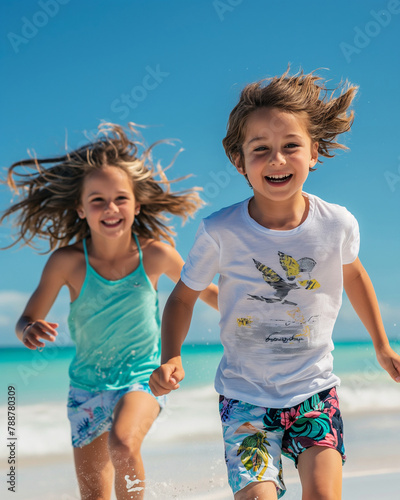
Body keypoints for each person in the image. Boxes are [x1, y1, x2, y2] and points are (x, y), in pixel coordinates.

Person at [149, 69, 400, 500]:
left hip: (315, 392)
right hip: (244, 399)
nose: (277, 160)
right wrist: (171, 355)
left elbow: (354, 275)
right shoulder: (220, 231)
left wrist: (381, 345)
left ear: (314, 152)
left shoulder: (336, 223)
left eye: (290, 147)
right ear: (239, 160)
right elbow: (182, 298)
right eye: (261, 150)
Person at [1, 122, 218, 500]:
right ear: (81, 209)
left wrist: (256, 305)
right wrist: (28, 331)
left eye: (120, 198)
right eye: (97, 200)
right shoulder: (67, 263)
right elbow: (26, 319)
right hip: (86, 387)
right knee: (94, 496)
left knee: (122, 444)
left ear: (136, 204)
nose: (110, 208)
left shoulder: (155, 253)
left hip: (141, 379)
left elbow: (204, 292)